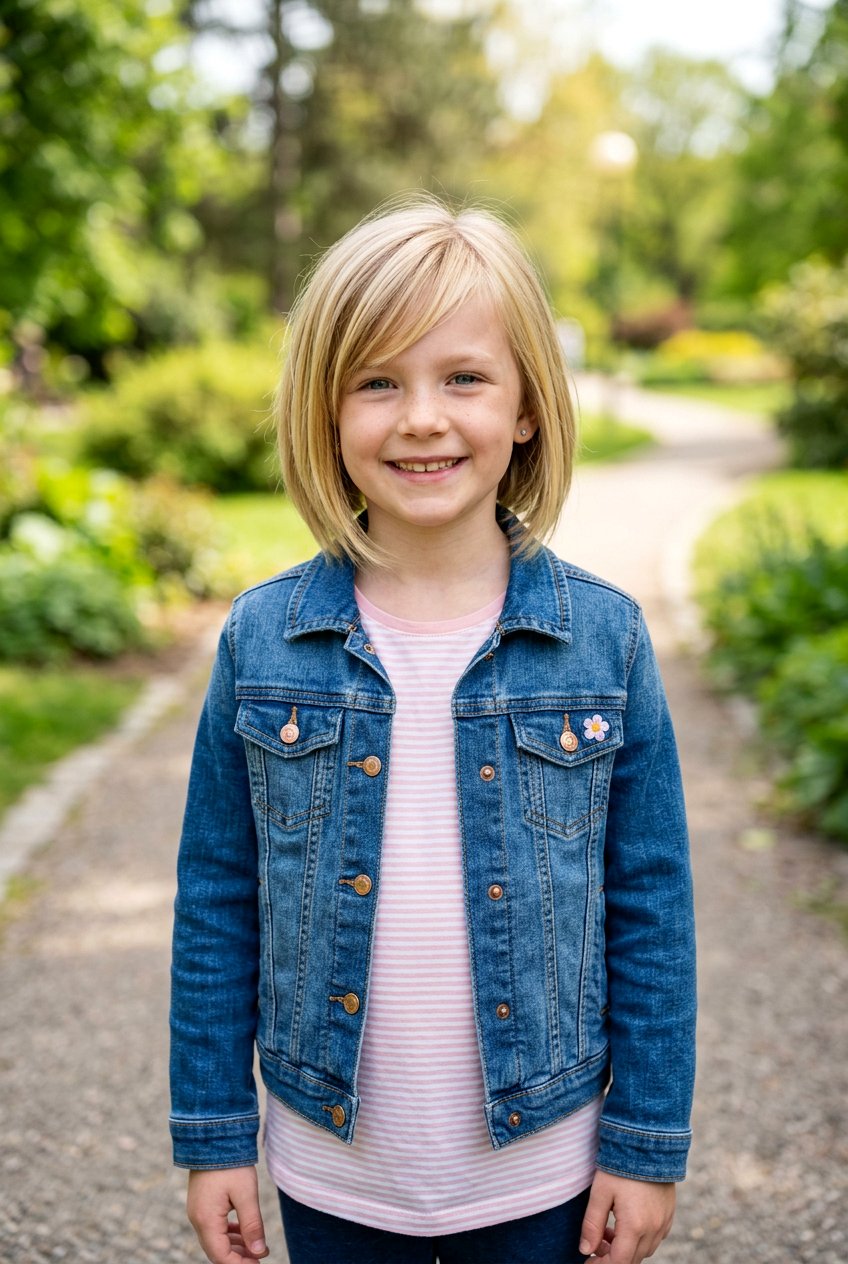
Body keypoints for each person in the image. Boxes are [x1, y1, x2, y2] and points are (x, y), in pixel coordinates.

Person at [169, 195, 697, 1264]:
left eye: (463, 378)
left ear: (526, 408)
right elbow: (217, 901)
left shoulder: (604, 641)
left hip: (543, 1168)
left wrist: (645, 1145)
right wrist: (214, 1136)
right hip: (333, 1170)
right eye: (377, 382)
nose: (420, 418)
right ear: (324, 412)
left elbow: (651, 908)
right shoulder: (261, 640)